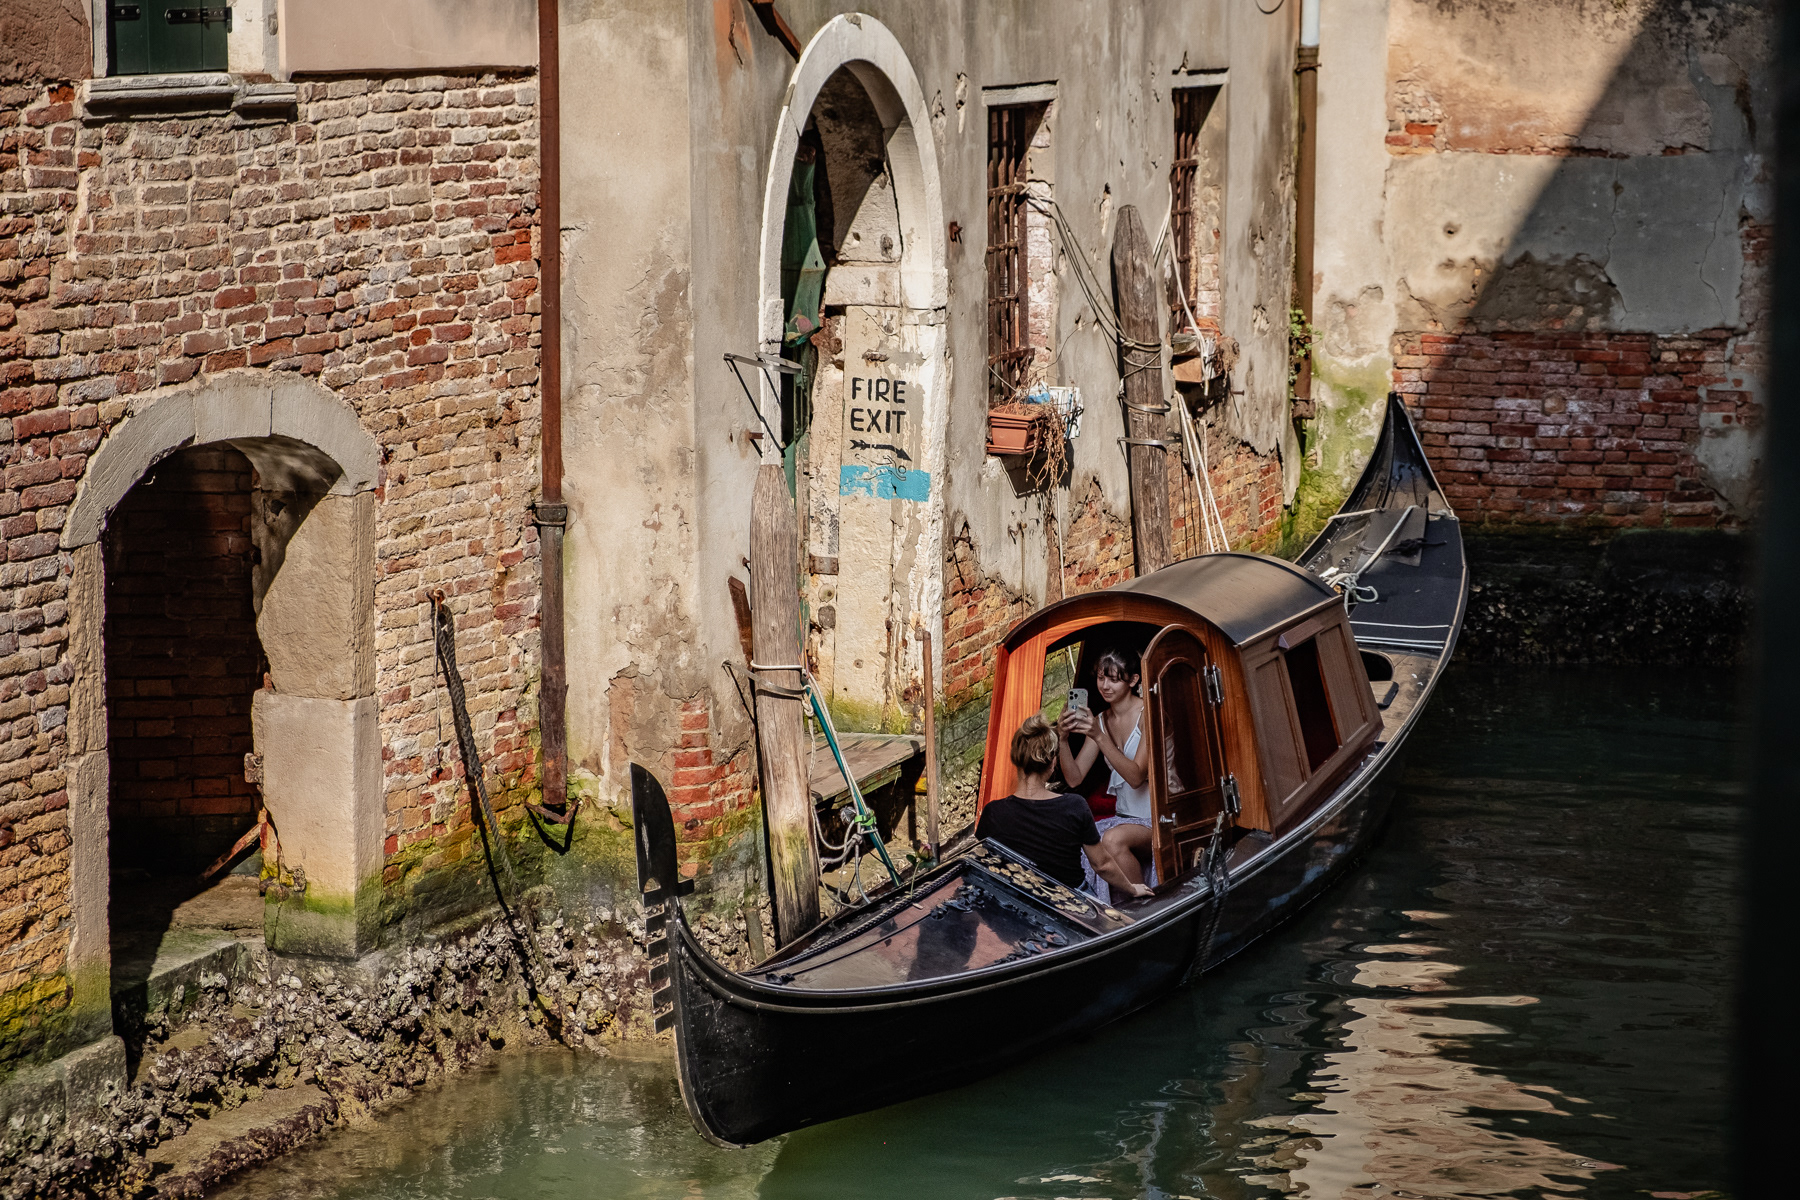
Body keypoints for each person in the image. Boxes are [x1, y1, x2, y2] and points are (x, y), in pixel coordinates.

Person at [976, 715, 1153, 899]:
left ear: (1015, 759)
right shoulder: (1074, 806)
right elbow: (1102, 865)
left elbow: (983, 862)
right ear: (1053, 763)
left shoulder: (992, 812)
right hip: (1071, 901)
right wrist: (1133, 889)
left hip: (1021, 899)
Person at [1056, 646, 1155, 893]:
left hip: (1158, 818)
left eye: (1114, 679)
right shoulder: (1100, 720)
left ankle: (1144, 903)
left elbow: (1136, 777)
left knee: (1111, 839)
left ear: (1133, 680)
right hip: (1124, 817)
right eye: (1101, 678)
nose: (1105, 686)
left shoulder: (1148, 714)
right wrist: (1062, 739)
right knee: (1082, 839)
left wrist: (1099, 736)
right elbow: (1075, 778)